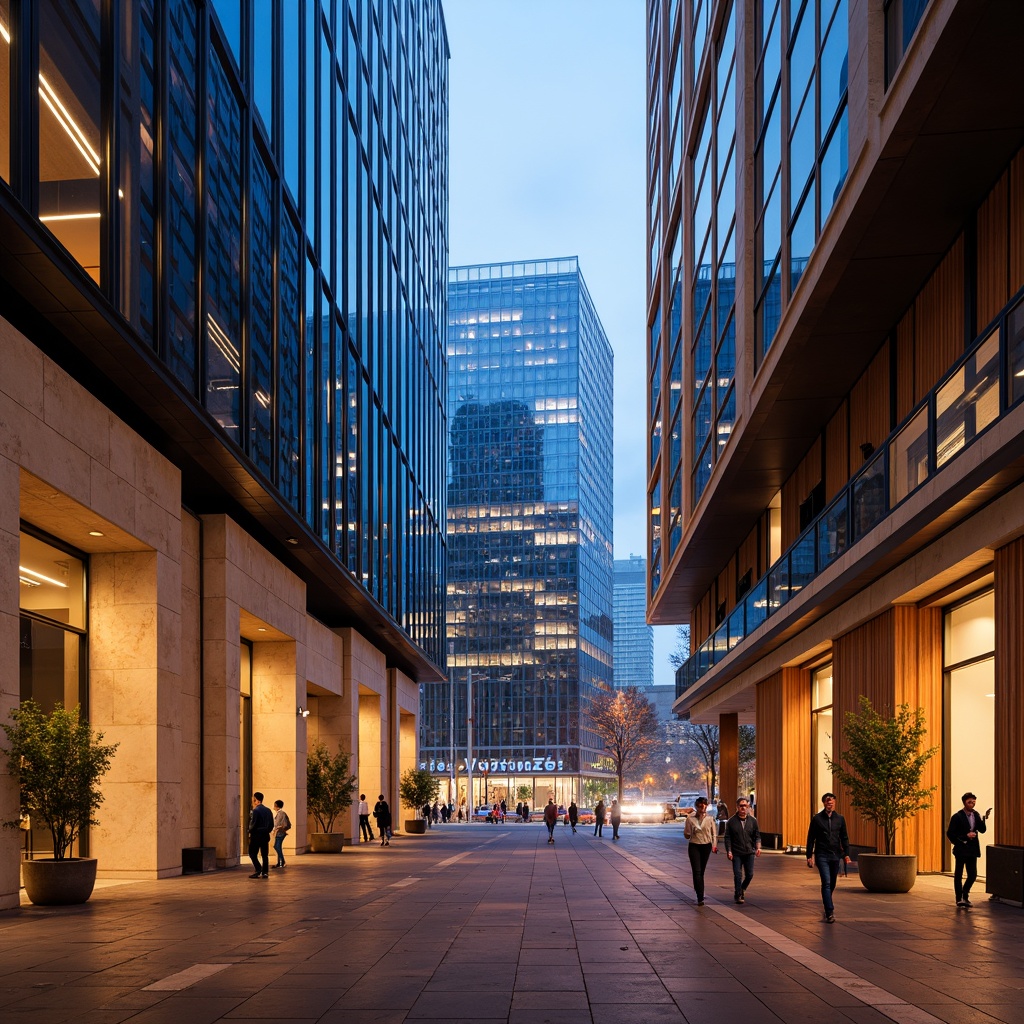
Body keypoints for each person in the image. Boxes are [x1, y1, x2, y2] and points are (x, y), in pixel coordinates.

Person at [806, 792, 851, 923]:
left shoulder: (840, 819)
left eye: (831, 802)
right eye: (827, 802)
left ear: (834, 803)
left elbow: (844, 837)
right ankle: (829, 911)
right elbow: (811, 838)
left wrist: (846, 854)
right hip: (821, 854)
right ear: (824, 803)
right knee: (826, 882)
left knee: (832, 883)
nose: (829, 804)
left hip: (835, 855)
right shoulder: (817, 819)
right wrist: (809, 855)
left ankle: (827, 899)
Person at [947, 791, 989, 909]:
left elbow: (982, 830)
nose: (972, 804)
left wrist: (983, 818)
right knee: (959, 874)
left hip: (972, 849)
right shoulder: (957, 816)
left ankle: (965, 894)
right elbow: (950, 833)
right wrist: (965, 837)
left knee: (972, 875)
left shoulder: (976, 815)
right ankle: (959, 898)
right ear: (964, 803)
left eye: (974, 802)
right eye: (969, 802)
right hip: (961, 849)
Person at [723, 796, 761, 903]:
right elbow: (727, 837)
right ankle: (738, 894)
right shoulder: (731, 821)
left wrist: (758, 847)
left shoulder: (753, 821)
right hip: (736, 853)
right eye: (741, 806)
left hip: (749, 852)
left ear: (748, 807)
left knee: (749, 874)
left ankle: (742, 888)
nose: (743, 808)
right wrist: (729, 850)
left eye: (745, 806)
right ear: (737, 807)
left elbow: (757, 835)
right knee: (738, 874)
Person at [683, 796, 717, 906]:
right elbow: (686, 835)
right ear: (697, 806)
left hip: (706, 846)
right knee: (696, 871)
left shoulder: (710, 818)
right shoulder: (690, 818)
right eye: (701, 805)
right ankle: (700, 896)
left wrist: (714, 846)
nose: (703, 807)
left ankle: (699, 890)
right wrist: (689, 832)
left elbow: (714, 834)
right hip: (694, 846)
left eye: (705, 805)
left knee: (701, 871)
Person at [247, 792, 274, 878]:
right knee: (264, 855)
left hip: (256, 836)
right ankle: (265, 872)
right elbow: (271, 825)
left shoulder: (256, 811)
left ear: (256, 799)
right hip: (265, 835)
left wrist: (249, 831)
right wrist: (266, 831)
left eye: (253, 799)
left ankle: (258, 869)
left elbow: (253, 824)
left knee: (252, 853)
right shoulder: (268, 810)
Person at [271, 799, 290, 869]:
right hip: (279, 832)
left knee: (276, 846)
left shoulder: (281, 814)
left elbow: (283, 824)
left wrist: (278, 828)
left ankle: (282, 861)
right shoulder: (280, 813)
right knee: (278, 847)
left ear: (276, 806)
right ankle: (279, 862)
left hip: (280, 833)